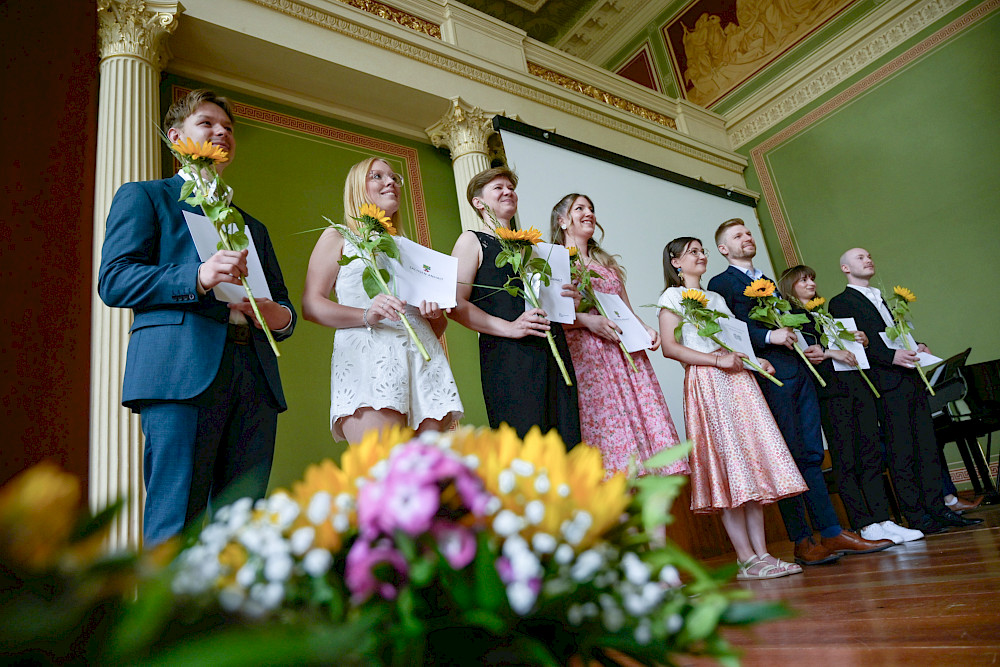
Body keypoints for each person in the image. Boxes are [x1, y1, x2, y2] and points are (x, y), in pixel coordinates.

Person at [98, 89, 296, 546]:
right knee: (176, 524)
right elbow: (115, 279)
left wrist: (275, 314)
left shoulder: (253, 227)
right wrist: (198, 276)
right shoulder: (146, 197)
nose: (221, 132)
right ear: (176, 137)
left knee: (243, 529)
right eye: (207, 123)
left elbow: (285, 309)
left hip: (255, 377)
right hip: (180, 373)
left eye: (227, 127)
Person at [707, 219, 893, 565]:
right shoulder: (721, 283)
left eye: (748, 233)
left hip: (801, 372)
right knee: (787, 459)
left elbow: (793, 321)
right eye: (737, 236)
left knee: (811, 455)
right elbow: (729, 329)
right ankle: (802, 540)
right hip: (771, 377)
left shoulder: (766, 281)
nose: (747, 238)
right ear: (723, 248)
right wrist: (768, 337)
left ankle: (831, 531)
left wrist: (812, 344)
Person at [658, 236, 805, 579]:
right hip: (708, 382)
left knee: (748, 465)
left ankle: (762, 554)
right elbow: (670, 348)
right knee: (726, 467)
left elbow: (733, 341)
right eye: (693, 252)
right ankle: (745, 559)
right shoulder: (672, 297)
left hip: (738, 382)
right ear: (676, 262)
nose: (701, 256)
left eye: (702, 250)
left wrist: (756, 361)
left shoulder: (716, 298)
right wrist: (716, 360)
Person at [302, 157, 463, 444]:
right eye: (377, 176)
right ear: (357, 187)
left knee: (429, 470)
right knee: (382, 467)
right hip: (372, 363)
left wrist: (435, 315)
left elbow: (433, 329)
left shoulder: (411, 250)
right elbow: (311, 305)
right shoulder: (338, 236)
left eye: (394, 178)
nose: (390, 182)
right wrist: (367, 314)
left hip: (425, 367)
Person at [829, 248, 982, 533]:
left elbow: (894, 336)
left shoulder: (881, 298)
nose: (868, 259)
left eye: (869, 256)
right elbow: (851, 346)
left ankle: (939, 509)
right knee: (902, 453)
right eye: (860, 257)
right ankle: (917, 517)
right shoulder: (841, 303)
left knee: (927, 447)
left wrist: (916, 345)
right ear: (845, 268)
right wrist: (891, 357)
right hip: (886, 385)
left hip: (910, 380)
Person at [779, 265, 924, 544]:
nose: (810, 283)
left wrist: (863, 340)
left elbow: (851, 347)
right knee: (846, 459)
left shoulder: (825, 314)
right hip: (832, 394)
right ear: (790, 286)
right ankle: (864, 523)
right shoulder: (792, 319)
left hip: (857, 386)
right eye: (803, 280)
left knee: (871, 455)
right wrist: (831, 352)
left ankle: (883, 519)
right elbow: (807, 354)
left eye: (812, 278)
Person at [550, 193, 686, 476]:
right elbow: (553, 318)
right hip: (590, 357)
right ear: (562, 221)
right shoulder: (554, 261)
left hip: (626, 352)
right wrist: (588, 321)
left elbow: (626, 310)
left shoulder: (606, 263)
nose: (588, 213)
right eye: (579, 208)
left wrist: (645, 328)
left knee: (643, 423)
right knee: (610, 432)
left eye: (591, 208)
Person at [449, 167, 581, 446]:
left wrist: (570, 302)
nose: (508, 192)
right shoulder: (471, 240)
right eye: (498, 188)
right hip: (509, 356)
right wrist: (509, 328)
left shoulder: (535, 248)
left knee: (566, 442)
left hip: (554, 353)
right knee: (524, 445)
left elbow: (551, 303)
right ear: (478, 202)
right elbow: (455, 304)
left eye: (511, 188)